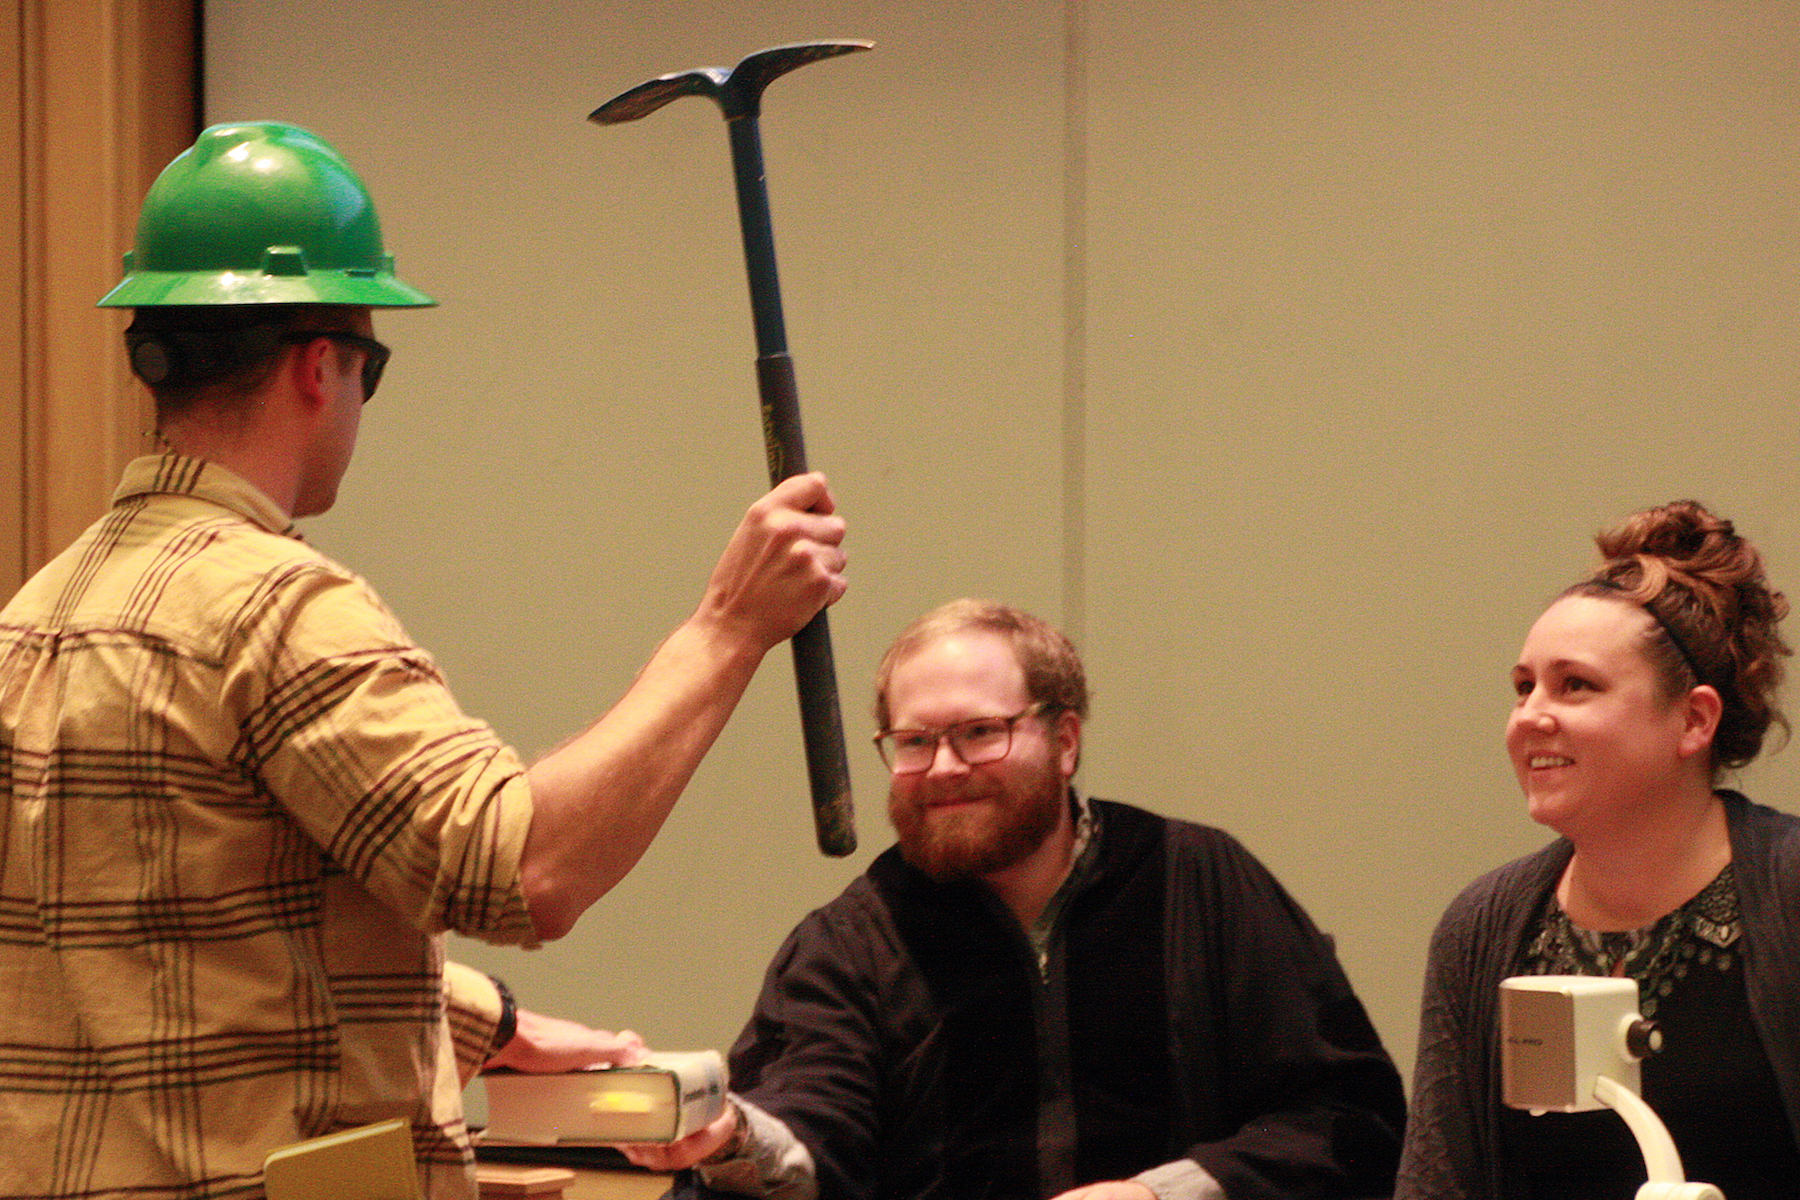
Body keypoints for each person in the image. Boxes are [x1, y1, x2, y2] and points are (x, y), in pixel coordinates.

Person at [0, 122, 846, 1199]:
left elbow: (184, 925)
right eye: (371, 370)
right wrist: (728, 630)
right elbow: (524, 871)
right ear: (321, 366)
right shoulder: (273, 606)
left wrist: (496, 1028)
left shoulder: (39, 612)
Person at [628, 599, 1406, 1200]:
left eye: (978, 732)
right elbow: (812, 1123)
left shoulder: (1200, 883)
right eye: (914, 741)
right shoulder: (851, 942)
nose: (941, 768)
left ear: (1065, 741)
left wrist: (1162, 1192)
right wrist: (728, 1135)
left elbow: (1348, 1120)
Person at [1395, 500, 1800, 1200]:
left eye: (1574, 685)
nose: (1531, 717)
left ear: (1693, 719)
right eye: (1524, 688)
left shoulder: (1788, 891)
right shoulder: (1482, 928)